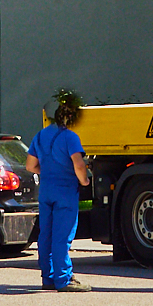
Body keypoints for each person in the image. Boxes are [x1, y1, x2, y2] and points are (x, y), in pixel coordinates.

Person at [27, 90, 91, 292]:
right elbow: (79, 165)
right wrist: (85, 181)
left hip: (46, 190)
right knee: (62, 236)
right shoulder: (70, 137)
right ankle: (64, 279)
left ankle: (48, 277)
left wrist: (45, 172)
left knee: (46, 235)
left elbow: (30, 165)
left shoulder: (40, 136)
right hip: (65, 191)